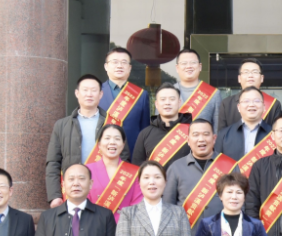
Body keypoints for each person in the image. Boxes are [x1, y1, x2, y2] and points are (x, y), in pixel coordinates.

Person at [45, 75, 115, 206]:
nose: (89, 94)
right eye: (85, 90)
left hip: (104, 191)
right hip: (72, 189)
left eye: (94, 90)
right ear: (77, 93)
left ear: (100, 94)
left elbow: (122, 159)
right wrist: (54, 195)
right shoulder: (62, 125)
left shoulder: (112, 124)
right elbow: (53, 162)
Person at [100, 46, 150, 153]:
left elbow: (145, 130)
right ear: (106, 66)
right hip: (100, 154)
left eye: (124, 62)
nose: (119, 66)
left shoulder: (141, 95)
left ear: (130, 67)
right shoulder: (96, 92)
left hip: (132, 155)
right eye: (115, 62)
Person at [132, 83, 192, 166]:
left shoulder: (192, 131)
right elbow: (137, 166)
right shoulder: (145, 134)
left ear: (179, 103)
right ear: (156, 104)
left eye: (172, 99)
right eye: (163, 99)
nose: (167, 103)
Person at [217, 58, 282, 130]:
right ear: (239, 78)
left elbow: (277, 133)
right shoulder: (226, 104)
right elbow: (222, 133)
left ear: (262, 78)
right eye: (246, 72)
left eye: (255, 72)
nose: (250, 75)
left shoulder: (274, 105)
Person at [214, 86, 272, 162]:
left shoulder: (274, 134)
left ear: (264, 107)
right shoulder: (224, 135)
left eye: (257, 101)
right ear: (239, 107)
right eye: (246, 101)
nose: (251, 104)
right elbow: (217, 163)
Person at [174, 48, 222, 134]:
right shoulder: (166, 93)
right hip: (174, 142)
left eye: (193, 62)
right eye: (184, 63)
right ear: (177, 68)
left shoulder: (214, 94)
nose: (189, 66)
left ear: (200, 66)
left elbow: (217, 129)